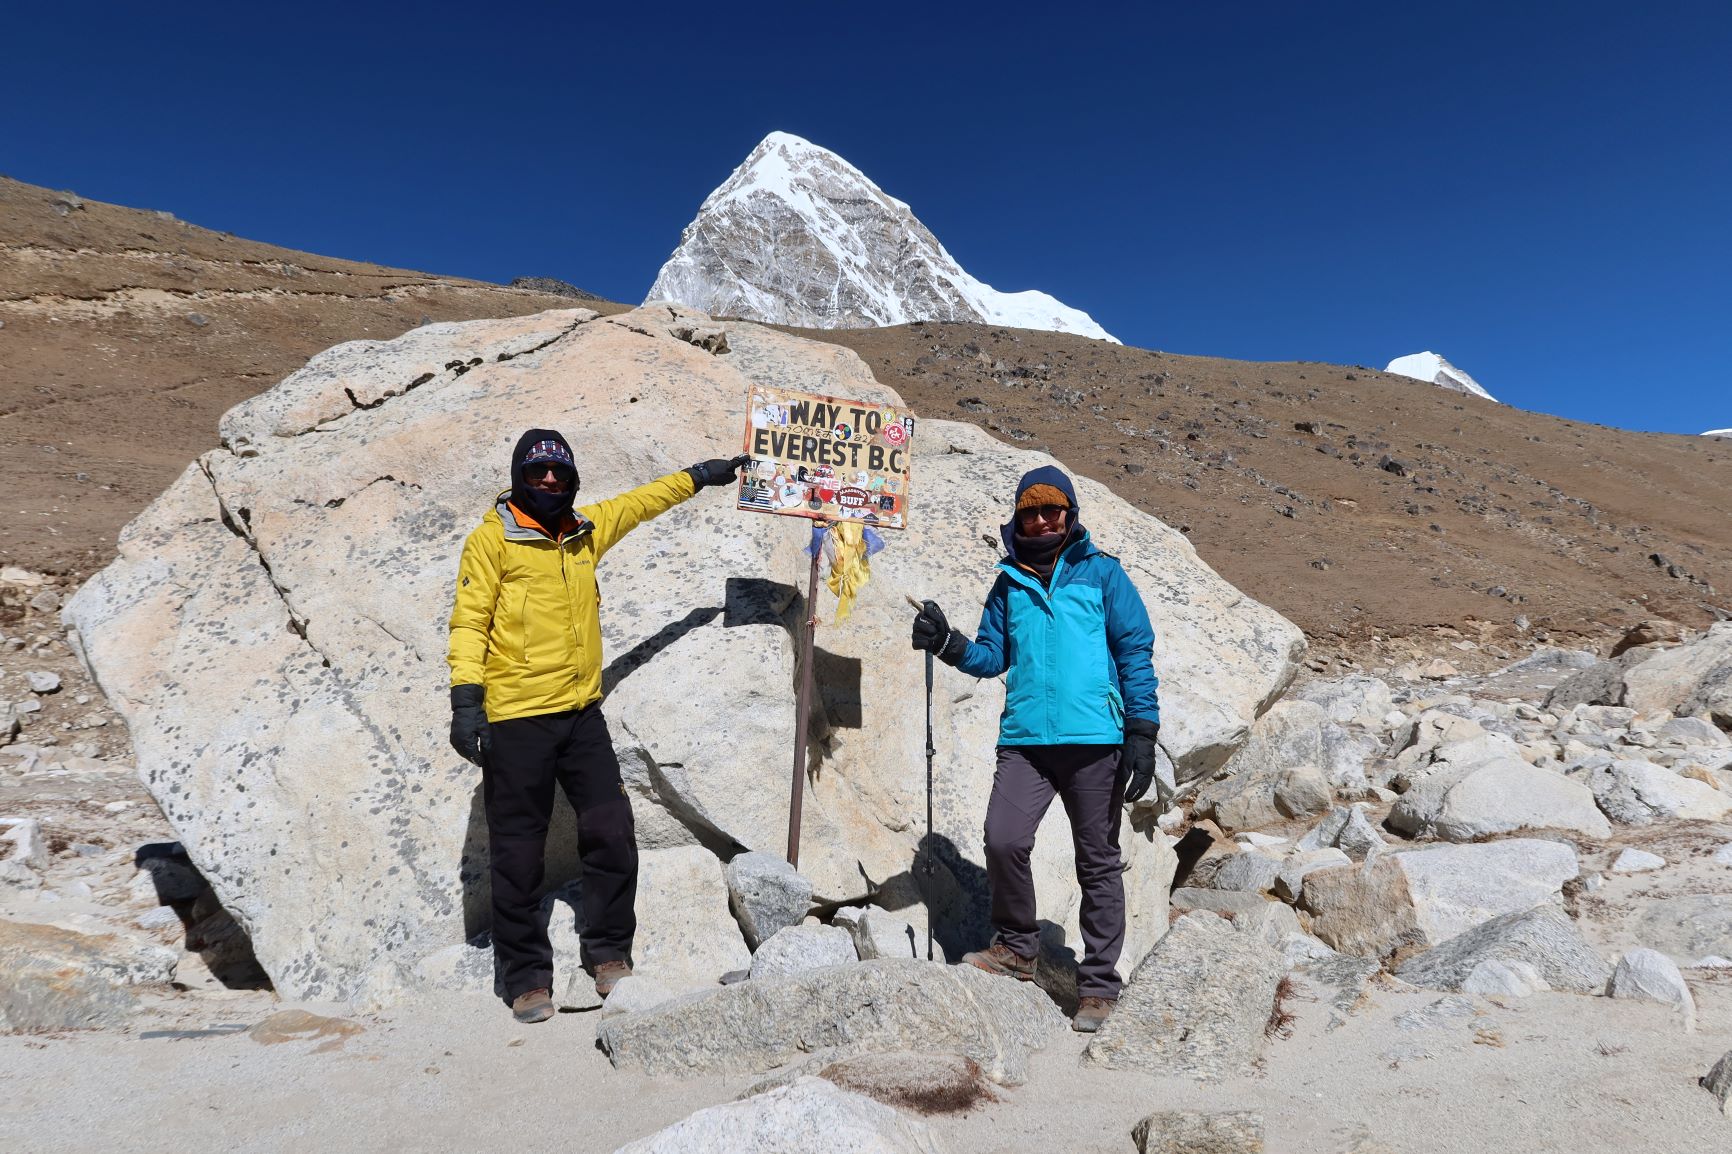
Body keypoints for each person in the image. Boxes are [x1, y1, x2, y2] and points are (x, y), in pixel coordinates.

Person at [447, 429, 747, 1024]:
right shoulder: (492, 542)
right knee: (518, 855)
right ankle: (527, 977)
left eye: (559, 473)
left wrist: (699, 475)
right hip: (516, 720)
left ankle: (609, 953)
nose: (550, 482)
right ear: (518, 478)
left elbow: (639, 503)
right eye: (537, 474)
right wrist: (466, 703)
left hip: (582, 715)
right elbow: (468, 622)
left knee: (611, 830)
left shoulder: (584, 533)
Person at [910, 465, 1164, 1033]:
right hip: (1026, 740)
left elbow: (1135, 652)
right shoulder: (1007, 582)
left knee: (1097, 860)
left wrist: (1141, 733)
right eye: (1033, 510)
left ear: (1070, 515)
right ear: (1019, 518)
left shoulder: (1103, 574)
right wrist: (949, 643)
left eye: (1054, 509)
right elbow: (991, 657)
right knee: (1003, 839)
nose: (1044, 518)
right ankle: (1018, 949)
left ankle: (1098, 985)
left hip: (1096, 741)